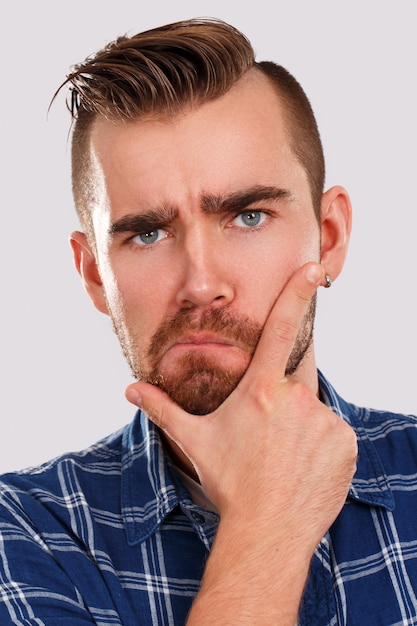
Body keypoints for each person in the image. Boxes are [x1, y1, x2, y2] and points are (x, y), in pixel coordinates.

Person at [0, 17, 416, 625]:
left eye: (248, 216)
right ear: (94, 275)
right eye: (147, 233)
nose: (200, 285)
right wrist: (266, 521)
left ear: (328, 238)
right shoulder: (29, 535)